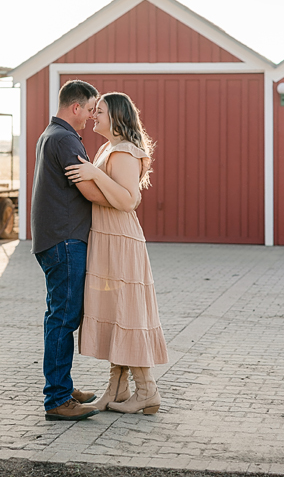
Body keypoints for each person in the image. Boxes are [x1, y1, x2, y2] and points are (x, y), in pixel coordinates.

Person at [65, 92, 168, 414]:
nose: (94, 114)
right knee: (115, 312)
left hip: (120, 239)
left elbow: (127, 200)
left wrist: (95, 174)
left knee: (126, 313)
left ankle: (147, 391)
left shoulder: (123, 151)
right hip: (106, 238)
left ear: (118, 117)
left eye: (101, 111)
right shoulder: (108, 148)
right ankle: (117, 388)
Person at [31, 79, 110, 421]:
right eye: (91, 109)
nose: (92, 116)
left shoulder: (50, 134)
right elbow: (89, 189)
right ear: (75, 107)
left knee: (62, 315)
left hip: (56, 239)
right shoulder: (65, 138)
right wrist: (122, 199)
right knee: (63, 318)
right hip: (64, 240)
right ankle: (58, 399)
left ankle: (62, 385)